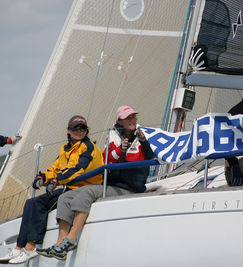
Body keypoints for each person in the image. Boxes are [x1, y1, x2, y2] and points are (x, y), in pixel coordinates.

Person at [37, 105, 155, 261]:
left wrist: (143, 140)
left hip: (130, 188)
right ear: (119, 121)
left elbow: (151, 158)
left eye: (133, 117)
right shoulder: (112, 136)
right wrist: (121, 149)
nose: (132, 120)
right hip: (112, 185)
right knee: (64, 198)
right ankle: (60, 245)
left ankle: (71, 239)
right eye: (128, 118)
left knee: (87, 192)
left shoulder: (142, 136)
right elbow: (107, 159)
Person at [0, 115, 103, 264]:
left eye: (83, 128)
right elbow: (55, 168)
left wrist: (57, 180)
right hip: (69, 187)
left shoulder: (89, 148)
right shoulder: (65, 149)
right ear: (68, 130)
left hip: (81, 189)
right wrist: (42, 178)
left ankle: (30, 248)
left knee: (39, 204)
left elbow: (77, 169)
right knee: (31, 202)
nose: (80, 131)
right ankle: (18, 247)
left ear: (87, 131)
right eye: (76, 128)